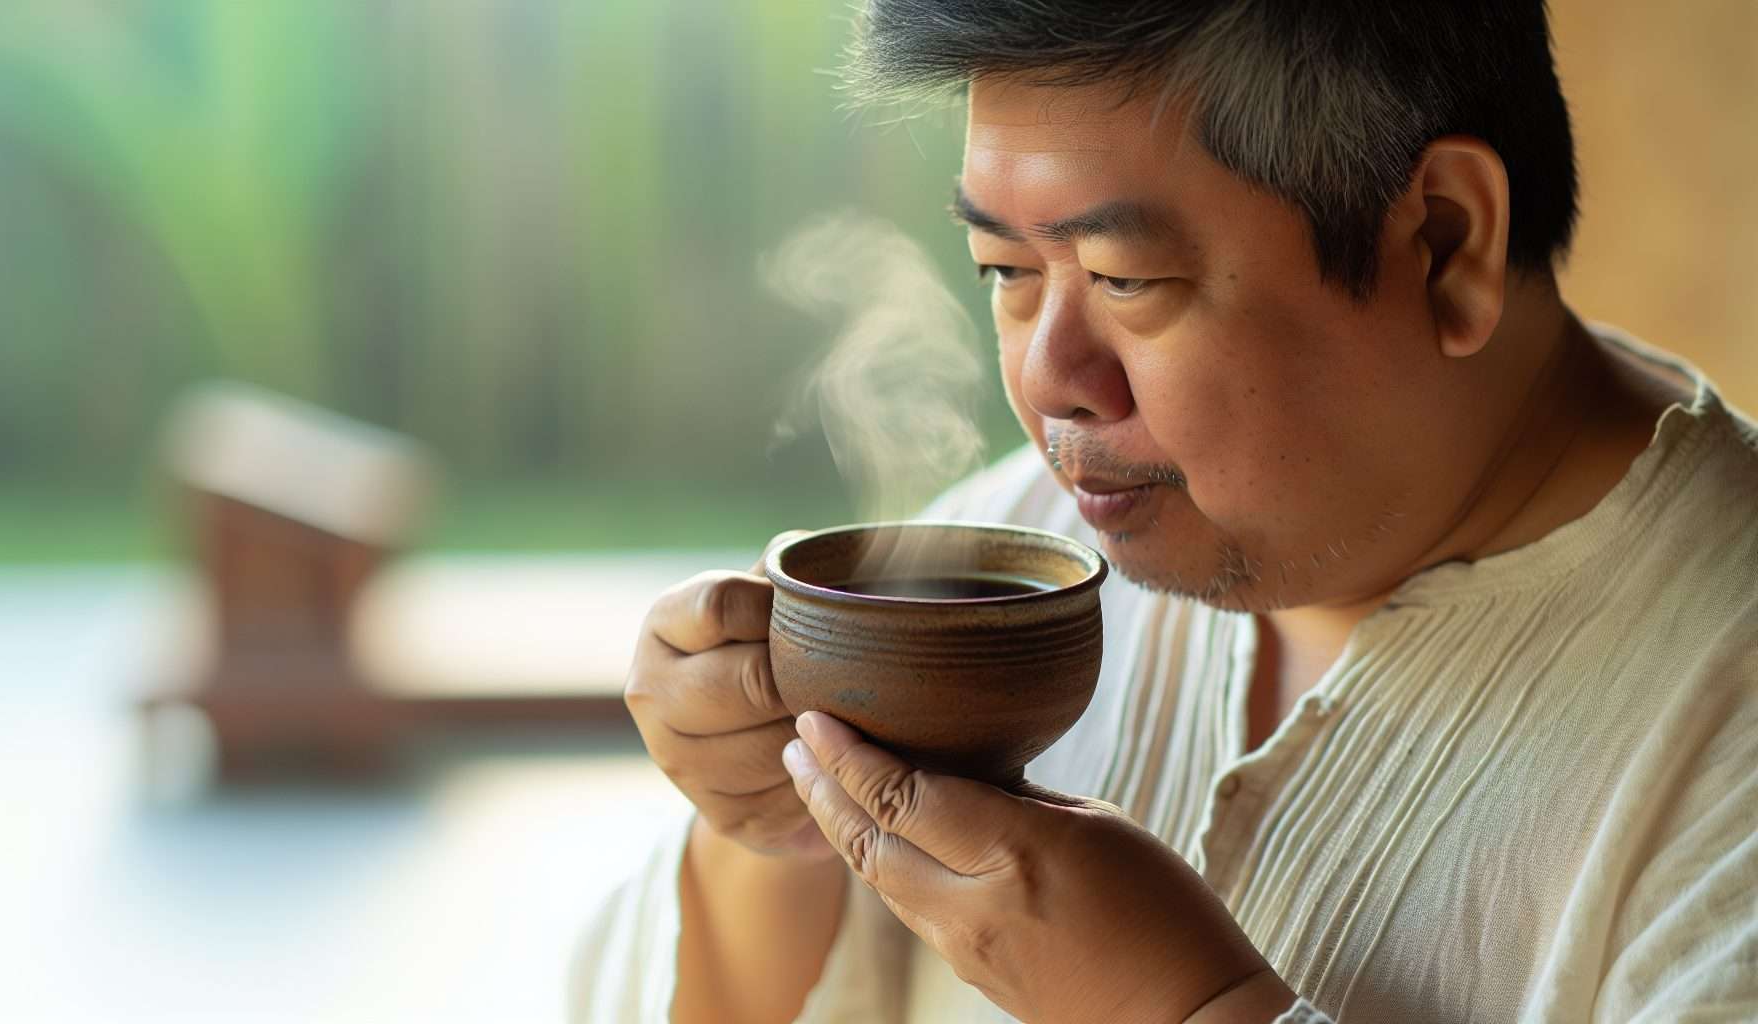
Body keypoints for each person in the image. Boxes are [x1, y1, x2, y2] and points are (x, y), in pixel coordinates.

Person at [568, 2, 1758, 1021]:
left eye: (1127, 281)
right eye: (1005, 273)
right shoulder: (1020, 555)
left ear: (1442, 241)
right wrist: (774, 832)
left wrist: (1186, 1009)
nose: (1047, 380)